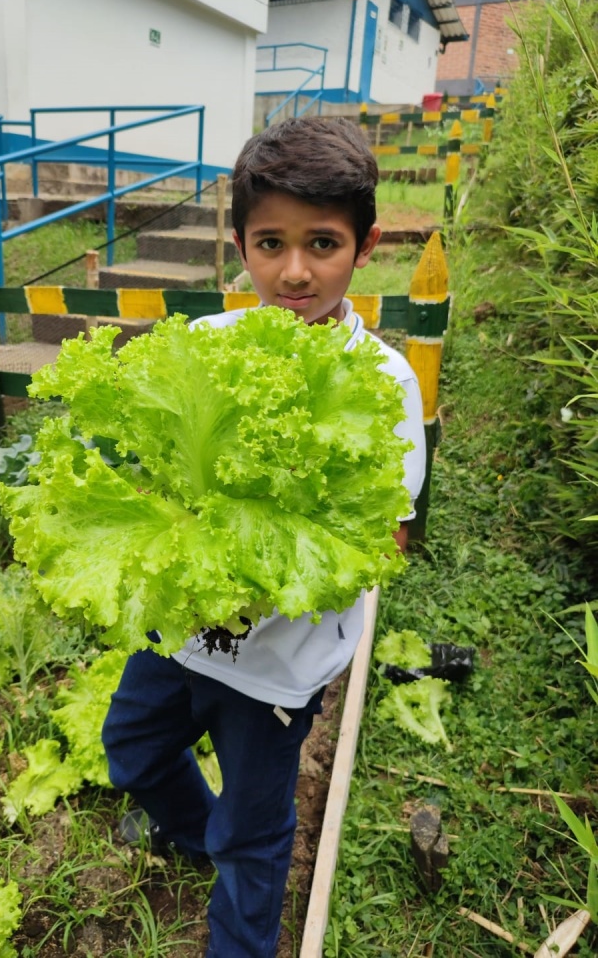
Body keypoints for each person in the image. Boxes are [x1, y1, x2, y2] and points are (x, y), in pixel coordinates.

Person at [102, 116, 426, 958]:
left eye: (322, 243)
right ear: (239, 244)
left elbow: (383, 538)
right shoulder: (208, 345)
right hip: (182, 635)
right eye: (270, 242)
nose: (294, 270)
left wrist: (265, 559)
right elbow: (155, 473)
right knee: (131, 753)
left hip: (278, 666)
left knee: (254, 836)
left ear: (366, 246)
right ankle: (190, 834)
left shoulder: (383, 381)